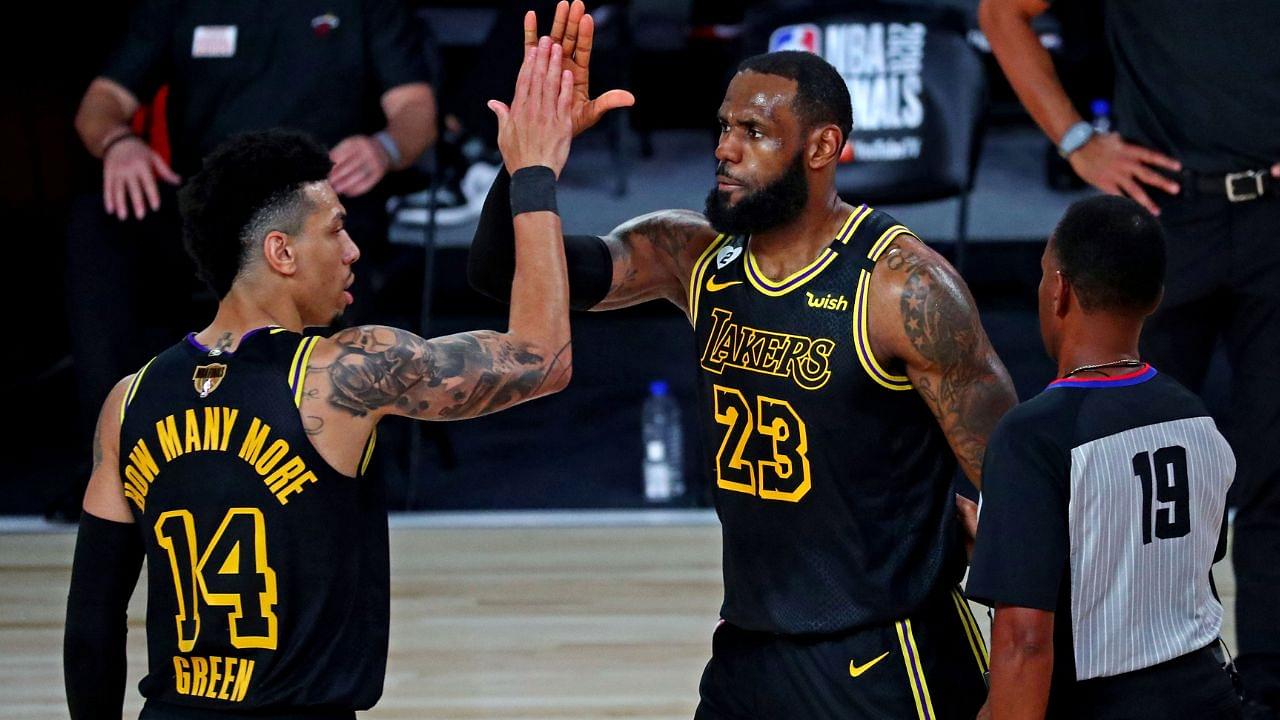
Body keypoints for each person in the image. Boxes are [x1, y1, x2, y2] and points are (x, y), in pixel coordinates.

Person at [469, 3, 1018, 716]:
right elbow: (501, 270)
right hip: (751, 644)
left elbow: (1016, 478)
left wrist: (1032, 657)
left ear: (821, 148)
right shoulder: (692, 254)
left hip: (889, 653)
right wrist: (529, 159)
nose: (726, 148)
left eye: (754, 132)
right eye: (724, 127)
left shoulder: (902, 287)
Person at [62, 38, 575, 719]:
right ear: (281, 251)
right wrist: (534, 173)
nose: (354, 249)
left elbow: (92, 630)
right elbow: (543, 356)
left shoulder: (129, 402)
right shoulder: (340, 374)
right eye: (336, 230)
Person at [977, 2, 1280, 712]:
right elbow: (1001, 11)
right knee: (1112, 463)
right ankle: (1104, 686)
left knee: (1278, 480)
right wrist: (1079, 139)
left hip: (1275, 216)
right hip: (1165, 215)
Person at [64, 0, 438, 498]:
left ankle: (334, 474)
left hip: (319, 202)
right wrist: (118, 142)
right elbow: (103, 99)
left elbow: (415, 109)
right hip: (206, 211)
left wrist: (384, 148)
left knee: (337, 240)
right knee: (98, 226)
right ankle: (114, 468)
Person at [967, 195, 1242, 719]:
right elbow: (1157, 560)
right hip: (1213, 698)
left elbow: (1024, 645)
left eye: (1044, 274)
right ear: (1156, 297)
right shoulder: (1199, 419)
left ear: (1060, 290)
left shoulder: (1032, 436)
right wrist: (1006, 540)